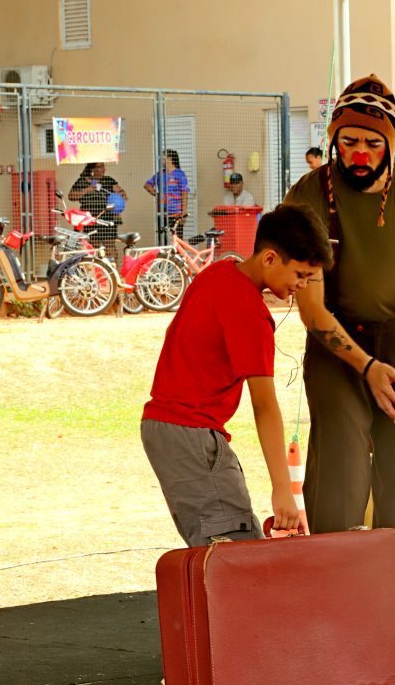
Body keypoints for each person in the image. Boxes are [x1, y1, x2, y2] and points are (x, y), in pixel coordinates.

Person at [284, 73, 395, 678]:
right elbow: (311, 306)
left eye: (372, 143)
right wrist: (366, 366)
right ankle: (331, 622)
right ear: (334, 140)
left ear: (391, 143)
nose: (359, 154)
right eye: (349, 141)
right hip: (337, 345)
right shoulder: (308, 195)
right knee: (337, 473)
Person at [141, 203, 333, 546]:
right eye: (301, 274)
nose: (303, 285)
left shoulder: (217, 273)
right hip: (190, 431)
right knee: (238, 555)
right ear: (270, 258)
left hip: (169, 428)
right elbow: (264, 405)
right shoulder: (250, 313)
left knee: (226, 550)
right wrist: (283, 489)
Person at [68, 162, 127, 259]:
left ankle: (112, 267)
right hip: (90, 219)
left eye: (103, 166)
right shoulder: (82, 181)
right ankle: (96, 266)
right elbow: (71, 196)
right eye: (100, 167)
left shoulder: (108, 180)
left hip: (107, 218)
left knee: (109, 245)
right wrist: (87, 190)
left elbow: (121, 192)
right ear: (92, 169)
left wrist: (121, 195)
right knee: (94, 246)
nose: (103, 169)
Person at [144, 150, 190, 240]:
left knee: (177, 238)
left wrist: (184, 212)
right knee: (162, 238)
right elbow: (147, 185)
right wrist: (156, 194)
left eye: (163, 158)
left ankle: (177, 250)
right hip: (162, 213)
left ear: (170, 159)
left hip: (176, 213)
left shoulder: (179, 174)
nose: (161, 160)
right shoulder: (160, 174)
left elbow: (184, 193)